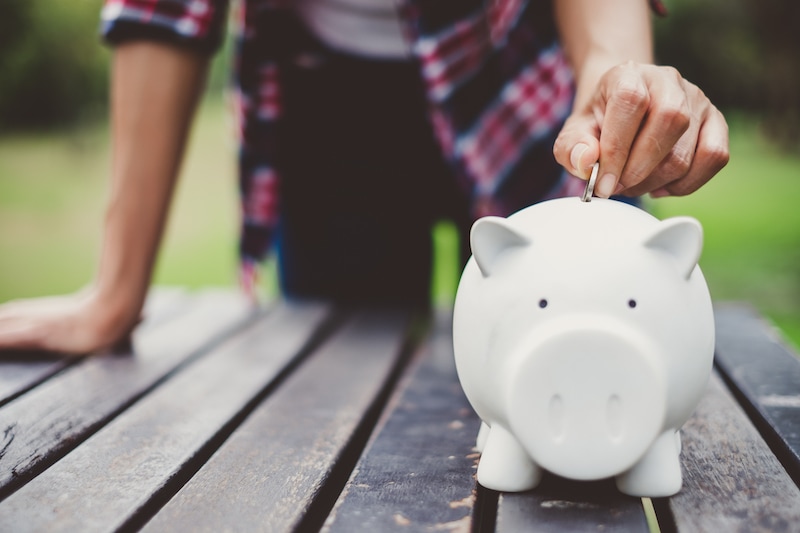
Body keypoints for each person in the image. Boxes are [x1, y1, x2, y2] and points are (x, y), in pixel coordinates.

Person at [0, 0, 729, 356]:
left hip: (525, 82)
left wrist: (614, 79)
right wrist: (114, 294)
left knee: (594, 337)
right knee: (332, 392)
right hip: (327, 106)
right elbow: (164, 10)